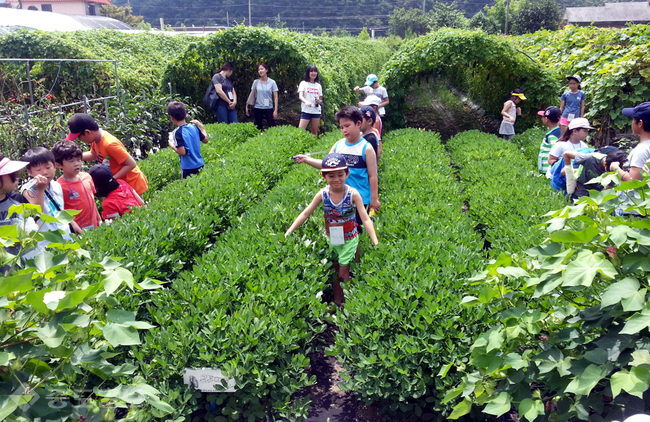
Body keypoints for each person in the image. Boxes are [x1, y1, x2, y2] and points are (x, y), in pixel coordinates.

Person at [285, 153, 378, 306]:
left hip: (349, 239)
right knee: (336, 272)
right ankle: (337, 300)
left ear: (347, 174)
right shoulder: (322, 194)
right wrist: (289, 231)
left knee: (343, 273)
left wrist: (375, 241)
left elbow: (366, 218)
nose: (336, 179)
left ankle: (351, 303)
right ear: (324, 177)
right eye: (331, 176)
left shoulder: (353, 194)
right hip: (333, 237)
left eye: (340, 174)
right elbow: (306, 213)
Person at [293, 106, 380, 263]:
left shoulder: (366, 148)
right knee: (338, 229)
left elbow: (373, 175)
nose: (344, 130)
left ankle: (354, 263)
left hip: (359, 197)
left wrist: (374, 199)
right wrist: (306, 159)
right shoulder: (339, 145)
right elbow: (327, 165)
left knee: (354, 232)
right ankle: (340, 260)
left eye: (347, 126)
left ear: (359, 124)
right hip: (338, 196)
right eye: (341, 127)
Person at [65, 113, 148, 196]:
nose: (80, 140)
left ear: (87, 132)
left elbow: (131, 164)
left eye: (79, 137)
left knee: (133, 208)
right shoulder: (96, 140)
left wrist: (111, 180)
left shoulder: (110, 144)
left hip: (131, 184)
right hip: (119, 184)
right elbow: (94, 155)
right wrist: (75, 157)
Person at [21, 147, 80, 236]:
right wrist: (40, 190)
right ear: (30, 172)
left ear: (55, 167)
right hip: (46, 241)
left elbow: (61, 209)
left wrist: (73, 224)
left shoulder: (56, 185)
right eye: (38, 170)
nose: (44, 172)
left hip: (65, 235)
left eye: (48, 167)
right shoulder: (28, 190)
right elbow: (35, 214)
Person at [610, 102, 650, 216]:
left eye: (633, 119)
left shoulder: (641, 150)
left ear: (640, 123)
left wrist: (616, 168)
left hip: (633, 211)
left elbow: (633, 181)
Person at [52, 141, 101, 233]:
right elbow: (62, 212)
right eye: (71, 161)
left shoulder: (87, 177)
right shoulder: (58, 186)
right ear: (59, 165)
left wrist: (99, 220)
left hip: (95, 228)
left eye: (79, 159)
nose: (77, 164)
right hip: (76, 232)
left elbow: (92, 200)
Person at [0, 155, 36, 272]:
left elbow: (33, 223)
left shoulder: (18, 199)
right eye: (13, 175)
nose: (17, 179)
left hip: (20, 267)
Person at [562, 147, 628, 201]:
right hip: (581, 187)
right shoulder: (590, 158)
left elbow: (607, 189)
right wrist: (571, 181)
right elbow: (566, 154)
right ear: (605, 165)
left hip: (598, 190)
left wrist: (597, 201)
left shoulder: (616, 170)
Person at [166, 101, 209, 179]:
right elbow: (205, 140)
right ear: (185, 115)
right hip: (200, 164)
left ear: (171, 118)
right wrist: (201, 127)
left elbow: (182, 152)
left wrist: (171, 145)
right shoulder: (194, 127)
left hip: (188, 168)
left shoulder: (176, 132)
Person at [246, 63, 278, 130]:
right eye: (258, 70)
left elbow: (275, 97)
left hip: (269, 107)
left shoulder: (272, 82)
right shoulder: (256, 82)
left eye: (262, 69)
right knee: (258, 127)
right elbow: (252, 95)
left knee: (272, 126)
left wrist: (275, 110)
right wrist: (247, 106)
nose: (260, 71)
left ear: (266, 70)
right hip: (258, 107)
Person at [298, 65, 323, 136]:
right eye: (311, 71)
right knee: (300, 130)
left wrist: (319, 101)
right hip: (306, 110)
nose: (313, 73)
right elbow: (300, 96)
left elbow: (320, 99)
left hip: (316, 110)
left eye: (315, 71)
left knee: (314, 130)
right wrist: (306, 102)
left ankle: (314, 145)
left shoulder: (318, 86)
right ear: (308, 73)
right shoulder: (303, 83)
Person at [537, 106, 562, 175]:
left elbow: (556, 152)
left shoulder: (552, 136)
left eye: (543, 117)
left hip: (549, 171)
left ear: (546, 119)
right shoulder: (557, 132)